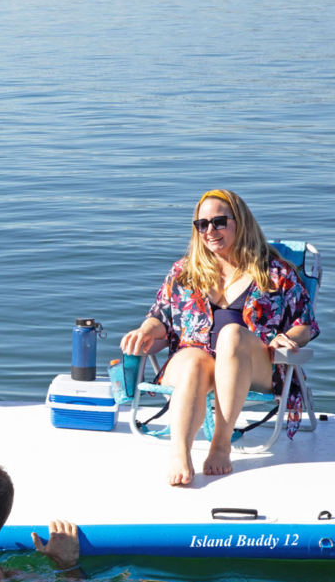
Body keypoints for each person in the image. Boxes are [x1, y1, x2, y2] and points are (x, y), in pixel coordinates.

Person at [120, 189, 319, 486]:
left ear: (240, 223)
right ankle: (180, 452)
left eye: (219, 222)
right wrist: (146, 330)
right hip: (193, 364)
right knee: (194, 361)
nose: (210, 231)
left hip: (252, 366)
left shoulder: (275, 272)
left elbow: (306, 324)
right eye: (202, 224)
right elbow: (160, 317)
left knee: (232, 335)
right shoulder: (184, 271)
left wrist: (286, 338)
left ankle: (220, 445)